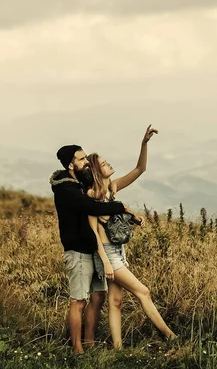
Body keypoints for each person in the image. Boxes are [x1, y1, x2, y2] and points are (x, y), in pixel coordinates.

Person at [86, 125, 177, 349]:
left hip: (118, 251)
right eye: (104, 164)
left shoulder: (112, 189)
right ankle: (171, 337)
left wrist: (144, 143)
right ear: (97, 172)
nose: (109, 164)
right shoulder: (91, 196)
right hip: (107, 255)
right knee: (142, 291)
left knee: (116, 302)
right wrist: (105, 261)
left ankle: (117, 349)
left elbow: (140, 169)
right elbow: (93, 232)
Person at [49, 144, 136, 354]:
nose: (86, 161)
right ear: (71, 164)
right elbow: (91, 207)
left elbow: (101, 191)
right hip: (78, 251)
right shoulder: (66, 189)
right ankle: (77, 350)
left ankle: (89, 343)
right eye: (81, 159)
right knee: (79, 300)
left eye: (85, 158)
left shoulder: (82, 182)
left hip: (94, 251)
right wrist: (119, 207)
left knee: (98, 297)